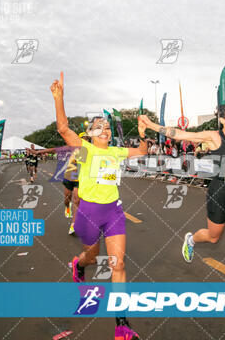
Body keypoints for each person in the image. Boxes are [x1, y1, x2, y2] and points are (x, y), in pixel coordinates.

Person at [50, 72, 147, 338]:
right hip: (89, 213)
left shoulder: (116, 151)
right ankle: (79, 266)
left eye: (107, 127)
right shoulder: (84, 149)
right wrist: (59, 98)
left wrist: (142, 135)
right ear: (91, 134)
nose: (104, 130)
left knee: (118, 264)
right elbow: (62, 129)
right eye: (99, 127)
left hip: (114, 212)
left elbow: (142, 151)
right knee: (91, 258)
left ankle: (121, 325)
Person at [139, 104, 225, 291]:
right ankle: (192, 240)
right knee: (213, 238)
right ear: (222, 120)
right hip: (219, 193)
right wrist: (151, 125)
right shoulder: (214, 136)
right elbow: (180, 134)